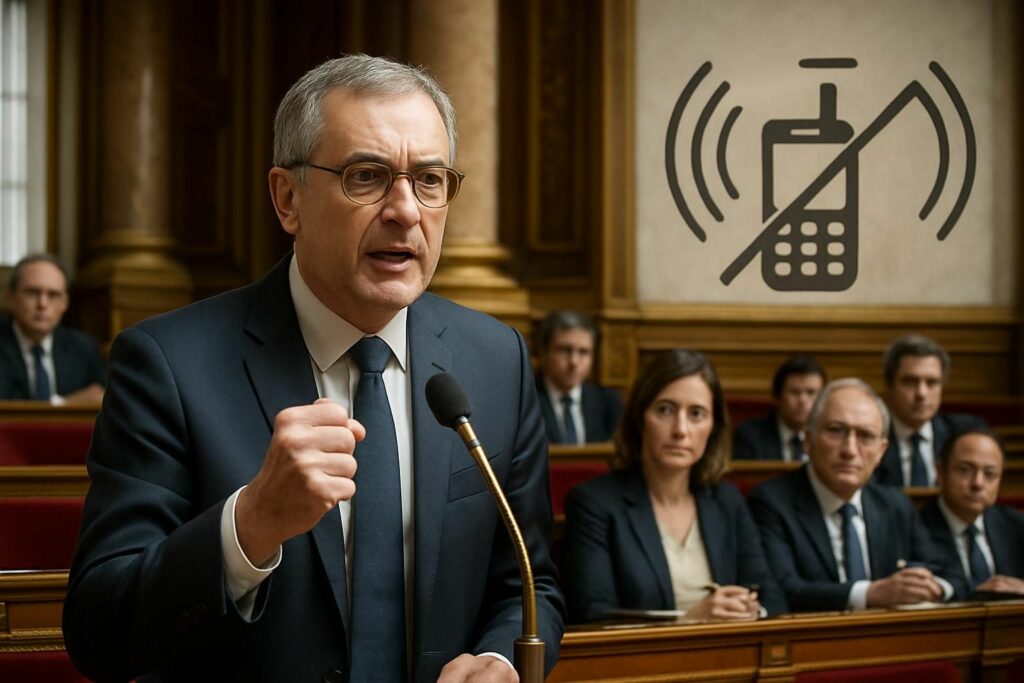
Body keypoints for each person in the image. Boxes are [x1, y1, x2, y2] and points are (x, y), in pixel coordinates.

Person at [63, 54, 564, 682]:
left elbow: (530, 582)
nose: (406, 210)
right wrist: (250, 526)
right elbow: (98, 631)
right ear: (288, 198)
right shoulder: (167, 364)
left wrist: (498, 659)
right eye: (366, 175)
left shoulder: (496, 360)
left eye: (429, 180)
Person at [563, 349, 786, 624]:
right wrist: (690, 619)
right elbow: (593, 614)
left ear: (713, 427)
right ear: (639, 418)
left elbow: (772, 596)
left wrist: (751, 611)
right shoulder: (594, 503)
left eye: (696, 413)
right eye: (665, 410)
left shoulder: (728, 500)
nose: (681, 429)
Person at [748, 378, 964, 612]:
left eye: (865, 436)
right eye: (836, 431)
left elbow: (952, 574)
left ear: (881, 451)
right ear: (808, 441)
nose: (850, 450)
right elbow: (782, 592)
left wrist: (933, 587)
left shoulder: (895, 504)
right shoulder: (771, 502)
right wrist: (871, 594)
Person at [919, 429, 1024, 596]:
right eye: (964, 470)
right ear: (939, 472)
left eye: (990, 474)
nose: (978, 483)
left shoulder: (1015, 525)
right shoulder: (917, 528)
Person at [874, 334, 983, 487]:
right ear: (889, 386)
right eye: (910, 382)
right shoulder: (870, 437)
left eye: (932, 383)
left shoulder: (964, 434)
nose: (921, 393)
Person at [0, 254, 104, 403]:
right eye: (32, 292)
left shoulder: (84, 348)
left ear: (65, 304)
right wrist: (63, 403)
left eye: (53, 295)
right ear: (11, 298)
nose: (42, 304)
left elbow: (99, 397)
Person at [535, 310, 622, 444]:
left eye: (583, 352)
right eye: (564, 350)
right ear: (544, 352)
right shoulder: (527, 401)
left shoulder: (608, 403)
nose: (574, 362)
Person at [733, 356, 826, 461]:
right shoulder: (750, 435)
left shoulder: (829, 436)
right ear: (778, 396)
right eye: (794, 392)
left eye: (811, 392)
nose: (802, 400)